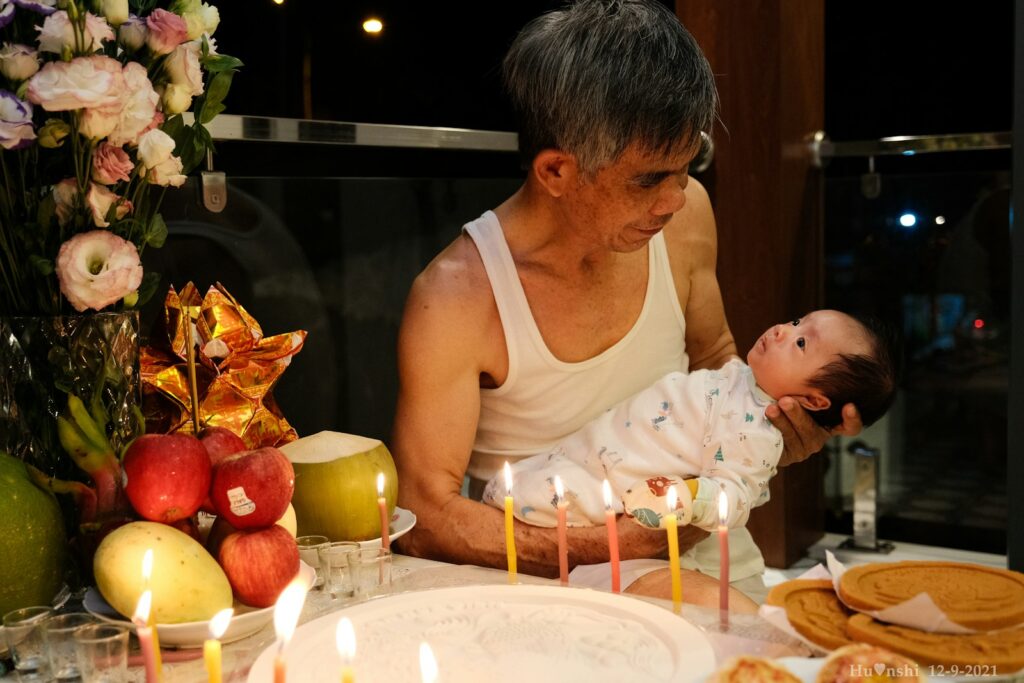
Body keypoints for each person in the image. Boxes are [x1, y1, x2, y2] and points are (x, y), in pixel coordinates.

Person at [392, 0, 862, 600]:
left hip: (709, 554)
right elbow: (422, 516)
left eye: (686, 168)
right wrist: (619, 542)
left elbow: (716, 356)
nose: (674, 199)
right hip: (557, 591)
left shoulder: (687, 217)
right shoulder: (458, 295)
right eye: (648, 179)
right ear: (557, 171)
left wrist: (773, 428)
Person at [482, 311, 898, 531]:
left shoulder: (760, 432)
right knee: (536, 473)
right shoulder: (744, 377)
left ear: (813, 399)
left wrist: (685, 498)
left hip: (618, 479)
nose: (781, 331)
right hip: (595, 445)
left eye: (802, 342)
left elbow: (735, 494)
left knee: (532, 498)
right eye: (795, 322)